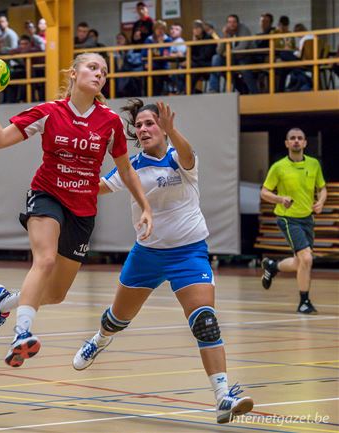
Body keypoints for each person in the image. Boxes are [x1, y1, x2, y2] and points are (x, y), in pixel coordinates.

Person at [72, 100, 254, 424]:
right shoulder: (132, 166)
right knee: (116, 319)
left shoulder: (179, 157)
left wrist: (173, 131)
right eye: (139, 125)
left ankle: (223, 396)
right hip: (147, 255)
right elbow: (102, 185)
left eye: (149, 123)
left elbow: (187, 154)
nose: (143, 129)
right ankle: (99, 340)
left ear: (163, 127)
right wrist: (73, 177)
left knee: (204, 321)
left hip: (189, 253)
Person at [0, 52, 152, 367]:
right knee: (43, 260)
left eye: (104, 71)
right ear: (73, 73)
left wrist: (146, 207)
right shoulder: (49, 112)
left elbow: (126, 171)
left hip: (83, 209)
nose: (99, 74)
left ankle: (5, 302)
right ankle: (21, 334)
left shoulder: (109, 121)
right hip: (48, 194)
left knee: (56, 294)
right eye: (93, 67)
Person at [260, 128, 327, 314]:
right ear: (287, 143)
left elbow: (322, 188)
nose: (296, 141)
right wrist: (280, 199)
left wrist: (320, 202)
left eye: (299, 138)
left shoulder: (314, 164)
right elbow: (264, 192)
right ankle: (304, 302)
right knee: (306, 258)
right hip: (288, 218)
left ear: (305, 143)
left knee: (302, 262)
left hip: (307, 218)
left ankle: (273, 266)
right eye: (292, 138)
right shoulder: (278, 167)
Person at [209, 14, 258, 94]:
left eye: (234, 22)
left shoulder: (244, 30)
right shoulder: (226, 32)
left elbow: (242, 46)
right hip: (232, 58)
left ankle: (254, 92)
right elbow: (219, 51)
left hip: (246, 56)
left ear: (238, 23)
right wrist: (224, 36)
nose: (232, 24)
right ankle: (213, 89)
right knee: (216, 58)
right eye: (229, 22)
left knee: (244, 68)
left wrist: (228, 53)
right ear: (227, 24)